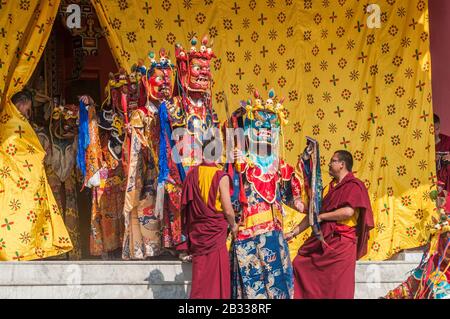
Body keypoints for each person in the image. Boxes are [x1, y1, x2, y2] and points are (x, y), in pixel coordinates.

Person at [289, 150, 374, 299]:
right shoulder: (329, 188)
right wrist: (293, 232)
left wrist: (322, 217)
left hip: (341, 244)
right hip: (324, 241)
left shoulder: (355, 185)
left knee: (338, 287)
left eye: (333, 161)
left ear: (342, 164)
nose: (329, 164)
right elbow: (313, 215)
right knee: (300, 264)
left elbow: (348, 211)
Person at [0, 90, 73, 261]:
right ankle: (19, 247)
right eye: (28, 108)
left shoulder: (14, 123)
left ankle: (25, 247)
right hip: (13, 180)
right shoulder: (13, 124)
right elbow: (19, 150)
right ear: (21, 104)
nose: (28, 112)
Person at [181, 140, 238, 299]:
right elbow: (227, 208)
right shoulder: (220, 176)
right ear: (219, 154)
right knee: (218, 273)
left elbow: (186, 206)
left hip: (199, 233)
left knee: (201, 276)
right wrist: (233, 225)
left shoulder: (192, 175)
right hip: (215, 233)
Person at [434, 114, 450, 192]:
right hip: (428, 182)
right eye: (432, 130)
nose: (435, 133)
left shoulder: (447, 141)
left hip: (446, 183)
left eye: (437, 129)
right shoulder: (421, 143)